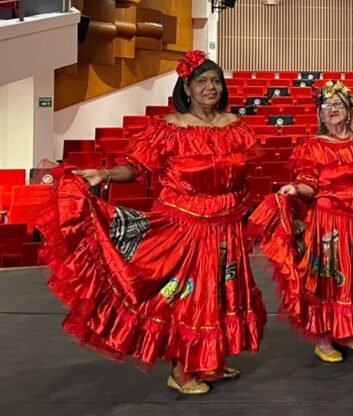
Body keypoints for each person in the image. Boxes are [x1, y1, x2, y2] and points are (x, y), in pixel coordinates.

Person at [38, 51, 265, 395]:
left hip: (226, 227)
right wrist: (105, 173)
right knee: (188, 299)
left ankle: (209, 360)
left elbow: (245, 179)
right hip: (184, 228)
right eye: (201, 81)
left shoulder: (236, 126)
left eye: (216, 81)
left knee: (219, 296)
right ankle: (182, 369)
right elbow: (137, 167)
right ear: (186, 87)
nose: (210, 87)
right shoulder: (169, 128)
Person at [248, 80, 353, 363]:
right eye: (326, 106)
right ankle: (323, 339)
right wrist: (294, 189)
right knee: (328, 281)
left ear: (350, 110)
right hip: (329, 225)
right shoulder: (312, 146)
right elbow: (309, 183)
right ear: (319, 113)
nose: (332, 110)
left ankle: (345, 331)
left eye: (338, 105)